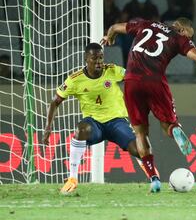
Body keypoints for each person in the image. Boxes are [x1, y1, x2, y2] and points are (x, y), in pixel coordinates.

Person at [102, 17, 196, 192]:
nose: (190, 40)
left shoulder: (145, 24)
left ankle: (154, 179)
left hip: (132, 81)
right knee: (168, 124)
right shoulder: (178, 38)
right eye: (189, 35)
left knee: (140, 133)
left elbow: (114, 26)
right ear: (181, 28)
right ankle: (173, 129)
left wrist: (109, 37)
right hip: (155, 82)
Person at [42, 43, 157, 194]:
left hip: (117, 122)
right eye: (94, 58)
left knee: (137, 148)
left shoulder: (112, 70)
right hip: (94, 124)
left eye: (101, 58)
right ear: (86, 59)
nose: (98, 62)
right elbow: (54, 102)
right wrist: (48, 127)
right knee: (81, 129)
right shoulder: (74, 79)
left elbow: (134, 77)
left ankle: (152, 175)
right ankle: (72, 178)